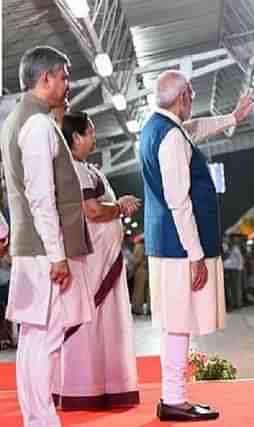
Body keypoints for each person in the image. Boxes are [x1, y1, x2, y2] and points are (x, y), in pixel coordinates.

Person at [138, 69, 254, 421]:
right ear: (184, 97)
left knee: (177, 323)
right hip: (178, 249)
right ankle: (174, 399)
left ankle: (175, 397)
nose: (193, 102)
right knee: (178, 324)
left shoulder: (158, 129)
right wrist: (196, 254)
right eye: (191, 95)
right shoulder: (170, 137)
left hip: (168, 246)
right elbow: (179, 201)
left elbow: (197, 129)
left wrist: (232, 118)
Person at [0, 46, 93, 427]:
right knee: (46, 338)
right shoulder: (38, 125)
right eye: (64, 76)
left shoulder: (17, 119)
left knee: (34, 338)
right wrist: (57, 255)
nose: (68, 84)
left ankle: (36, 417)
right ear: (46, 79)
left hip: (31, 247)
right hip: (43, 250)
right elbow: (42, 196)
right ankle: (41, 419)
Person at [50, 111, 141, 409]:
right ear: (75, 137)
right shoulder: (75, 169)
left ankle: (101, 386)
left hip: (103, 263)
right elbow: (91, 211)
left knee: (103, 326)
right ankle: (82, 389)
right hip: (93, 265)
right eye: (89, 132)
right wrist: (120, 206)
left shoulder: (83, 167)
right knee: (89, 325)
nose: (94, 137)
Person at [223, 239, 244, 309]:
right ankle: (231, 303)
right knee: (228, 287)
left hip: (234, 270)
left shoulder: (235, 248)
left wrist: (240, 268)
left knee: (235, 287)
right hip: (226, 269)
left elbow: (240, 258)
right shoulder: (224, 246)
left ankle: (237, 303)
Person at [131, 234, 149, 315]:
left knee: (139, 290)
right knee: (149, 291)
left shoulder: (139, 246)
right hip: (148, 270)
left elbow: (136, 260)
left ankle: (137, 308)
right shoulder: (148, 247)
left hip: (140, 270)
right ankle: (149, 309)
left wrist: (133, 269)